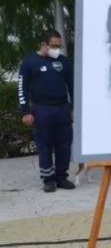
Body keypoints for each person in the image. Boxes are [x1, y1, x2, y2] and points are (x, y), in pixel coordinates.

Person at [18, 30, 75, 192]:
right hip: (41, 109)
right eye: (54, 46)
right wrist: (25, 111)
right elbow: (22, 88)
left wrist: (74, 109)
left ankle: (61, 177)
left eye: (59, 46)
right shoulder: (30, 62)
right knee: (45, 145)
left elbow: (73, 87)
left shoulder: (63, 62)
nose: (57, 49)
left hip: (63, 108)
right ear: (43, 44)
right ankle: (48, 179)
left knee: (64, 144)